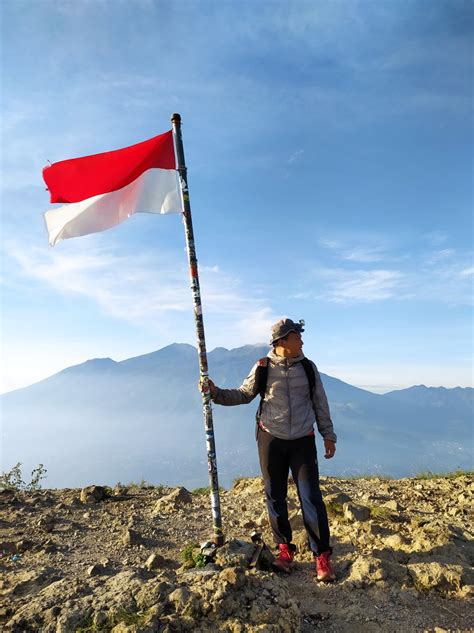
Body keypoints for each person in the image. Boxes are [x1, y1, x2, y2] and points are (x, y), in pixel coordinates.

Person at [206, 318, 337, 581]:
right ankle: (284, 550)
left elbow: (320, 403)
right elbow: (244, 394)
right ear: (282, 341)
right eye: (297, 336)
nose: (301, 340)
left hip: (302, 439)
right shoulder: (263, 367)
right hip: (270, 438)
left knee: (310, 496)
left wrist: (328, 435)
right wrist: (215, 393)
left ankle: (321, 556)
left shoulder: (309, 369)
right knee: (275, 495)